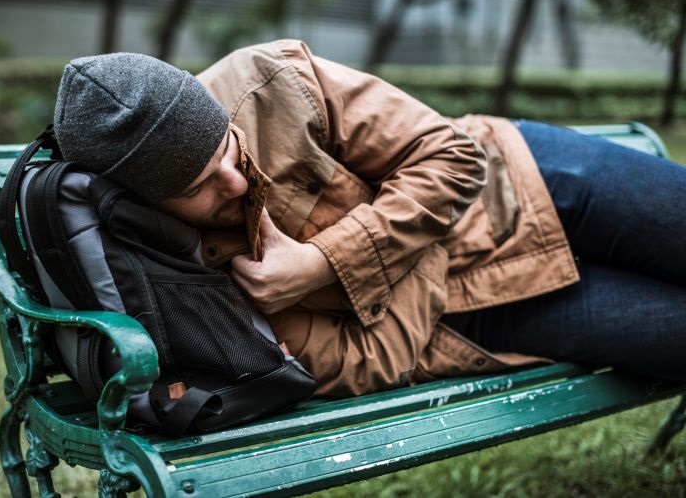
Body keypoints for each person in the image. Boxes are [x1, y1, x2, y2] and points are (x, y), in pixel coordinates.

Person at [52, 39, 686, 397]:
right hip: (480, 315)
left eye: (228, 147)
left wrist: (327, 263)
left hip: (525, 177)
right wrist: (416, 233)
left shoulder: (268, 81)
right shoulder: (189, 282)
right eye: (200, 187)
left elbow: (453, 157)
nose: (237, 180)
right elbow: (373, 361)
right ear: (150, 204)